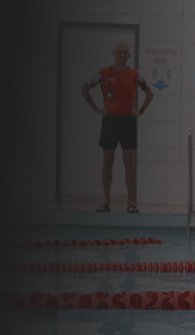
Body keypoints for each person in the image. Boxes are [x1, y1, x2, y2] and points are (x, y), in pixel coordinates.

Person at [80, 40, 154, 213]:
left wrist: (140, 110)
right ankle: (106, 201)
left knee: (129, 162)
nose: (121, 53)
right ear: (113, 54)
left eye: (124, 51)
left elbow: (150, 93)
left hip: (128, 121)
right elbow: (84, 88)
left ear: (128, 56)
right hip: (110, 121)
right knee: (108, 161)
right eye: (119, 50)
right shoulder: (103, 73)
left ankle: (131, 203)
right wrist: (97, 109)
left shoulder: (135, 74)